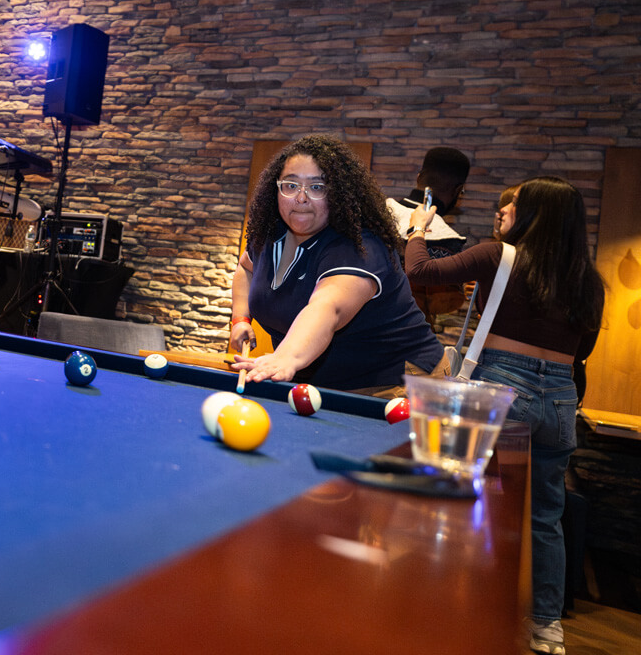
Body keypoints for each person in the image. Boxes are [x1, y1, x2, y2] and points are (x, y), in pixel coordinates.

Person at [406, 177, 604, 655]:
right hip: (559, 398)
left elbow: (421, 272)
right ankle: (546, 629)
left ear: (533, 214)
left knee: (473, 503)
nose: (505, 211)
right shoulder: (589, 282)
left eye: (513, 204)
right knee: (545, 517)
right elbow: (583, 353)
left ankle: (465, 612)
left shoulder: (499, 255)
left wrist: (417, 230)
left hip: (501, 389)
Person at [230, 134, 444, 392]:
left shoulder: (358, 246)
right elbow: (246, 268)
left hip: (395, 383)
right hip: (321, 383)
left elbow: (327, 308)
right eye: (290, 185)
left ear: (339, 194)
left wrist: (286, 357)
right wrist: (240, 318)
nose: (301, 197)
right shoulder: (269, 233)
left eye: (317, 187)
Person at [385, 147, 472, 322]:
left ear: (418, 177)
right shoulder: (448, 239)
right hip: (407, 333)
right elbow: (444, 303)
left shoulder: (377, 212)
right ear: (458, 190)